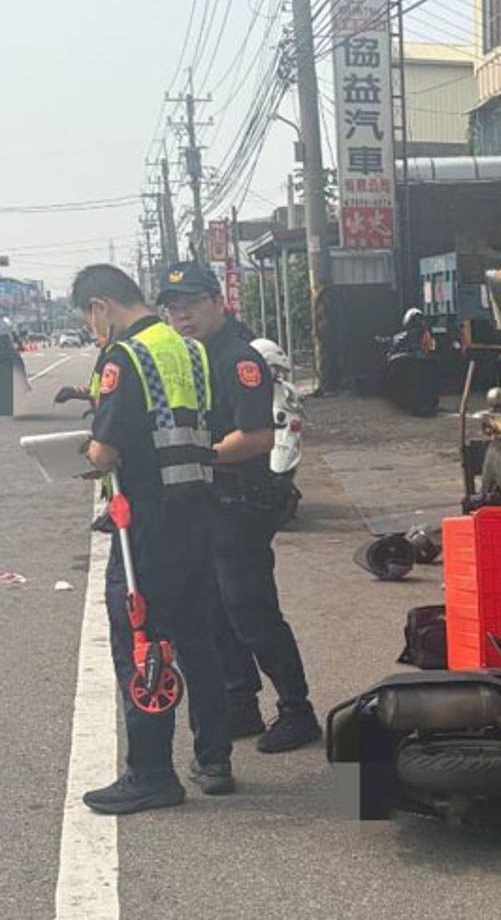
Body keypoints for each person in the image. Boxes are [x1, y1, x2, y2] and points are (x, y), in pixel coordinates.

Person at [72, 263, 234, 814]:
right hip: (196, 513)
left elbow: (107, 451)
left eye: (90, 320)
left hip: (146, 526)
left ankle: (151, 774)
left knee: (140, 644)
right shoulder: (187, 350)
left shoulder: (126, 357)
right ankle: (215, 757)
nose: (96, 330)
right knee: (198, 643)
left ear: (100, 307)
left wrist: (86, 453)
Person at [159, 261, 321, 753]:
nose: (181, 314)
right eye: (173, 306)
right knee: (213, 607)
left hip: (240, 500)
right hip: (206, 500)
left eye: (190, 302)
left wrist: (198, 457)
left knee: (250, 609)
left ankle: (298, 710)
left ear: (216, 301)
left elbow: (255, 437)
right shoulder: (190, 356)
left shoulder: (238, 358)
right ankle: (240, 703)